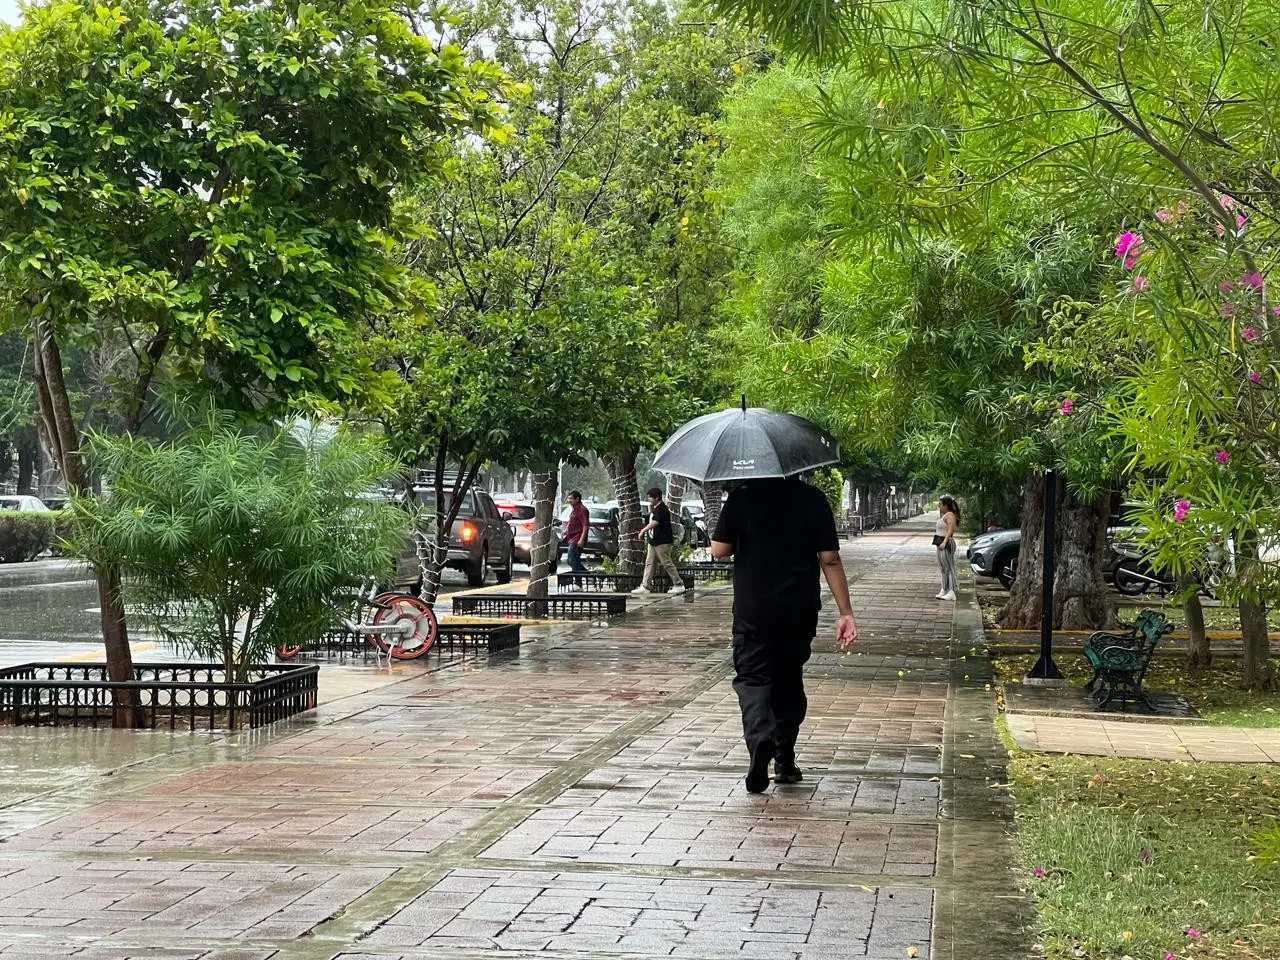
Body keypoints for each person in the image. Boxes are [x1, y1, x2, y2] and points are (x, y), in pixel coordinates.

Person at [710, 476, 858, 793]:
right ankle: (784, 760)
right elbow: (829, 558)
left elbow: (719, 550)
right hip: (799, 608)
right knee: (788, 677)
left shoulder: (741, 497)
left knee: (753, 678)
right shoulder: (813, 498)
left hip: (753, 610)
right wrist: (845, 612)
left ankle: (760, 738)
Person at [632, 488, 687, 596]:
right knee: (649, 563)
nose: (649, 499)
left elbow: (655, 522)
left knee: (666, 563)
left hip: (662, 541)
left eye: (650, 497)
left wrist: (643, 530)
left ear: (656, 497)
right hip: (654, 541)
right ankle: (645, 586)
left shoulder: (661, 508)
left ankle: (679, 584)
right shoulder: (655, 508)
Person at [935, 496, 960, 601]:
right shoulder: (943, 515)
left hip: (946, 543)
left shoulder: (950, 515)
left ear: (945, 505)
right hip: (939, 542)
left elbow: (950, 530)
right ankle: (944, 589)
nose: (939, 506)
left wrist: (945, 542)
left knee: (949, 566)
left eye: (941, 504)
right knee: (943, 568)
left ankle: (951, 590)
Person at [562, 490, 591, 574]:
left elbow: (586, 525)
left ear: (577, 499)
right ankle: (583, 580)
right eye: (568, 498)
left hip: (577, 539)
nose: (569, 501)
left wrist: (581, 539)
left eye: (571, 498)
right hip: (572, 538)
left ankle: (589, 576)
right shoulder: (574, 510)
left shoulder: (582, 510)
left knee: (572, 561)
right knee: (574, 561)